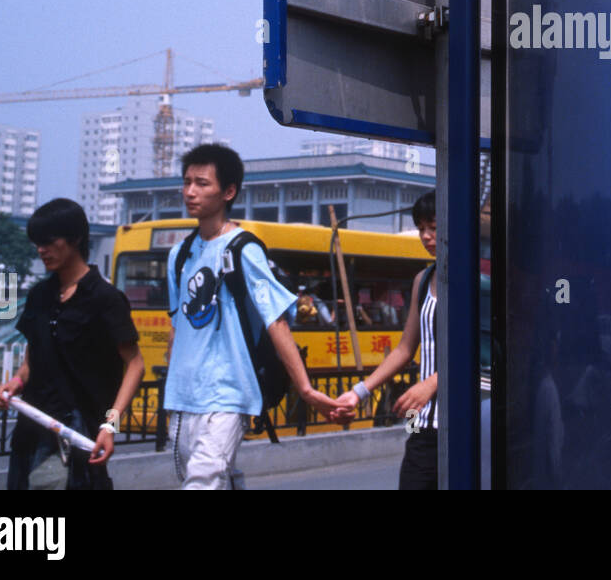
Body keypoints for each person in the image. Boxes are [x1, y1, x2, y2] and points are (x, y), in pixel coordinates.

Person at [164, 144, 351, 489]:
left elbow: (276, 321)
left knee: (202, 482)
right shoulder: (179, 255)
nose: (190, 191)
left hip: (229, 392)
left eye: (202, 183)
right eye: (187, 181)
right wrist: (169, 385)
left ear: (229, 192)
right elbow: (178, 327)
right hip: (183, 396)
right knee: (211, 479)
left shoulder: (243, 249)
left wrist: (306, 390)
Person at [0, 198, 144, 490]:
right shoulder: (39, 295)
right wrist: (16, 382)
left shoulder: (105, 298)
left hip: (78, 432)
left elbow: (135, 365)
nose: (41, 250)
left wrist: (109, 425)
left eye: (49, 242)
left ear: (75, 239)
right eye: (37, 243)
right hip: (33, 428)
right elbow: (33, 355)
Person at [338, 191, 439, 489]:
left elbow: (489, 351)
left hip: (470, 423)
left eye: (433, 227)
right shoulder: (422, 281)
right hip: (424, 425)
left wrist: (434, 382)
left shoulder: (481, 279)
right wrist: (359, 392)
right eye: (421, 228)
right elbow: (405, 349)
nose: (426, 236)